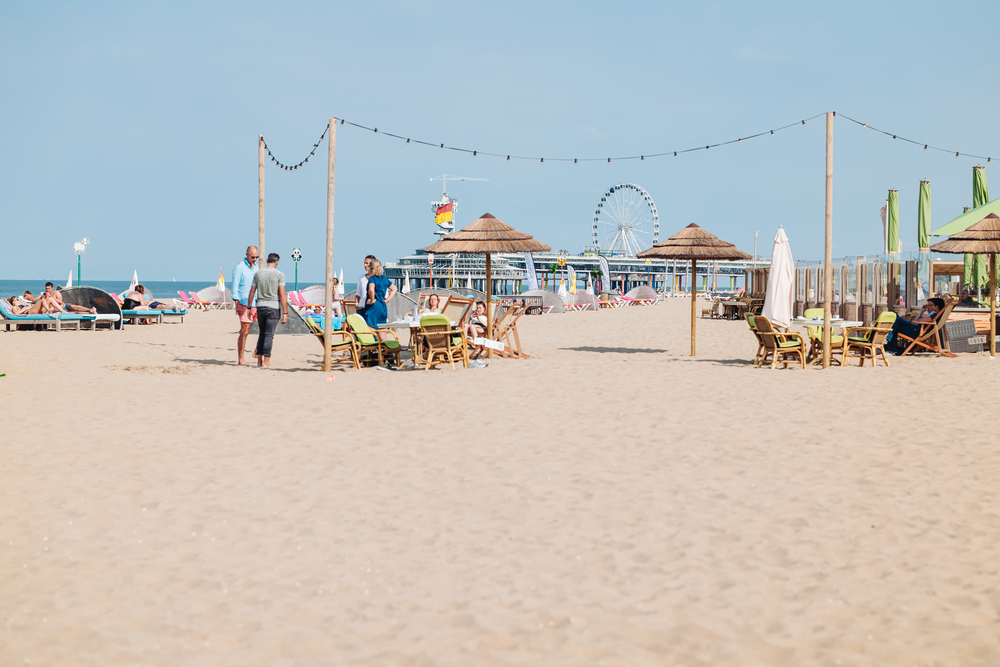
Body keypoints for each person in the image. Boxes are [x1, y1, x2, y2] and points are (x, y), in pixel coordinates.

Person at [246, 252, 288, 368]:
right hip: (273, 307)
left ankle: (259, 362)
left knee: (262, 334)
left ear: (267, 261)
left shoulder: (258, 273)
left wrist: (249, 307)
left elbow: (252, 291)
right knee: (269, 335)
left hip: (260, 306)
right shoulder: (279, 274)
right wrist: (285, 312)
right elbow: (282, 294)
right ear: (277, 262)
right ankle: (266, 362)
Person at [232, 246, 259, 365]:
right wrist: (237, 303)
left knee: (261, 329)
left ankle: (258, 353)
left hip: (255, 302)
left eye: (256, 257)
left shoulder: (257, 267)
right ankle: (241, 358)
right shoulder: (239, 268)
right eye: (252, 257)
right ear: (247, 254)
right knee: (245, 331)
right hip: (243, 302)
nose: (254, 259)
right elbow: (235, 286)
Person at [363, 258, 397, 332]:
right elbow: (394, 289)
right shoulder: (384, 278)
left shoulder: (372, 278)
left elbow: (371, 289)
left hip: (374, 306)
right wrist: (387, 300)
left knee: (371, 328)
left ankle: (374, 343)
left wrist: (372, 300)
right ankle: (383, 343)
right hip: (382, 305)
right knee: (381, 329)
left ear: (371, 268)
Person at [356, 255, 375, 319]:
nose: (365, 265)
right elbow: (358, 293)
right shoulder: (362, 277)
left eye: (367, 263)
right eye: (364, 263)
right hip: (361, 308)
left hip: (373, 307)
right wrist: (356, 304)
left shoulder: (378, 278)